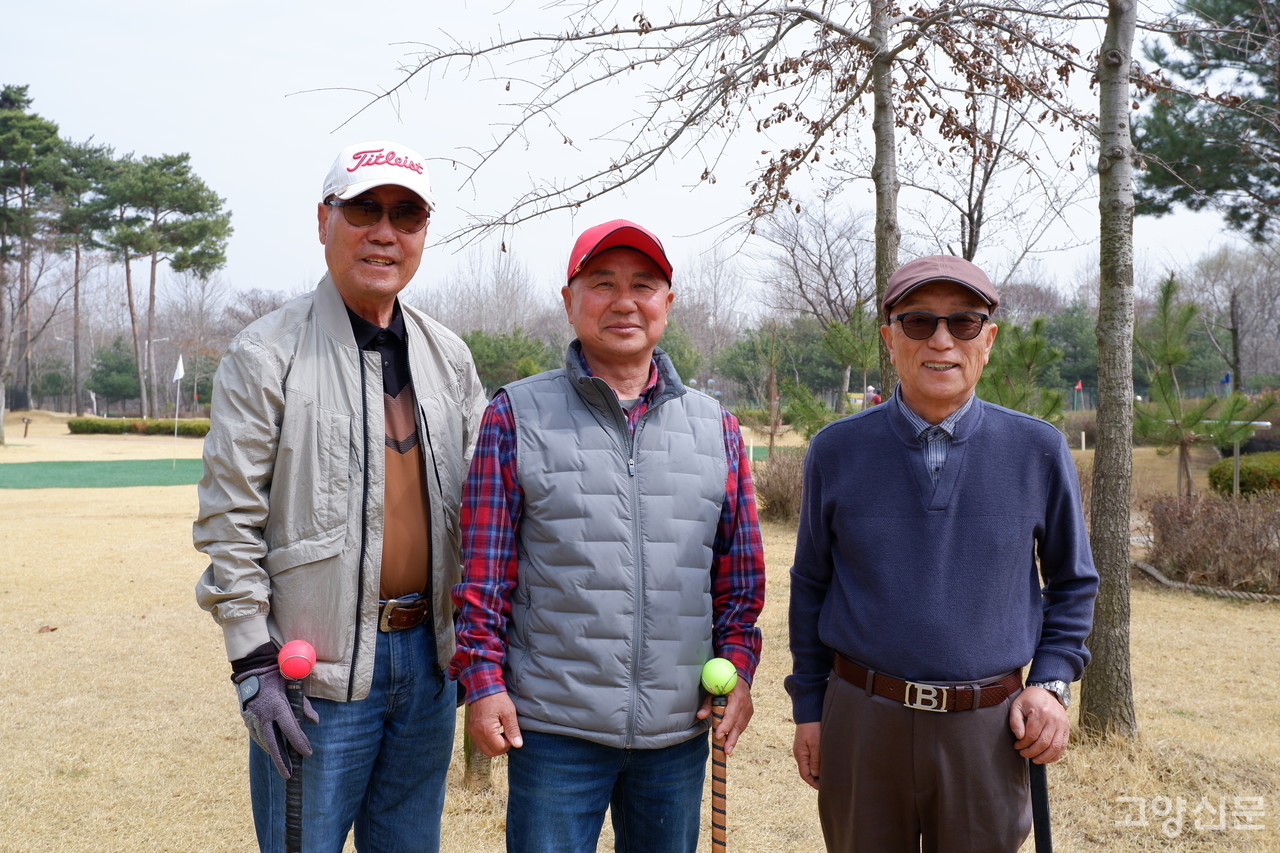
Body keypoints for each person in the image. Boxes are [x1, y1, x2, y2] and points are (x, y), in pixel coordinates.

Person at [194, 140, 486, 853]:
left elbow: (486, 508)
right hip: (310, 677)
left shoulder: (449, 357)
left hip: (429, 667)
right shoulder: (266, 353)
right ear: (323, 220)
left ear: (423, 232)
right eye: (364, 210)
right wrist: (252, 660)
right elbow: (230, 517)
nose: (385, 232)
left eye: (406, 215)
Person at [449, 220, 766, 853]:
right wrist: (483, 681)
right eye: (602, 284)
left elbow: (740, 581)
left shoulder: (718, 428)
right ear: (569, 301)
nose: (625, 302)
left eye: (643, 285)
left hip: (677, 732)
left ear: (667, 304)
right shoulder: (515, 415)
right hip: (553, 731)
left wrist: (739, 667)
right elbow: (483, 574)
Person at [786, 255, 1099, 852]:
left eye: (963, 322)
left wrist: (1052, 682)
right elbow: (811, 586)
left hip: (989, 727)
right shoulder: (835, 451)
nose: (941, 340)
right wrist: (809, 707)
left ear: (989, 340)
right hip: (861, 719)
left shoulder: (1038, 449)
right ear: (889, 340)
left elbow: (1073, 582)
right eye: (918, 322)